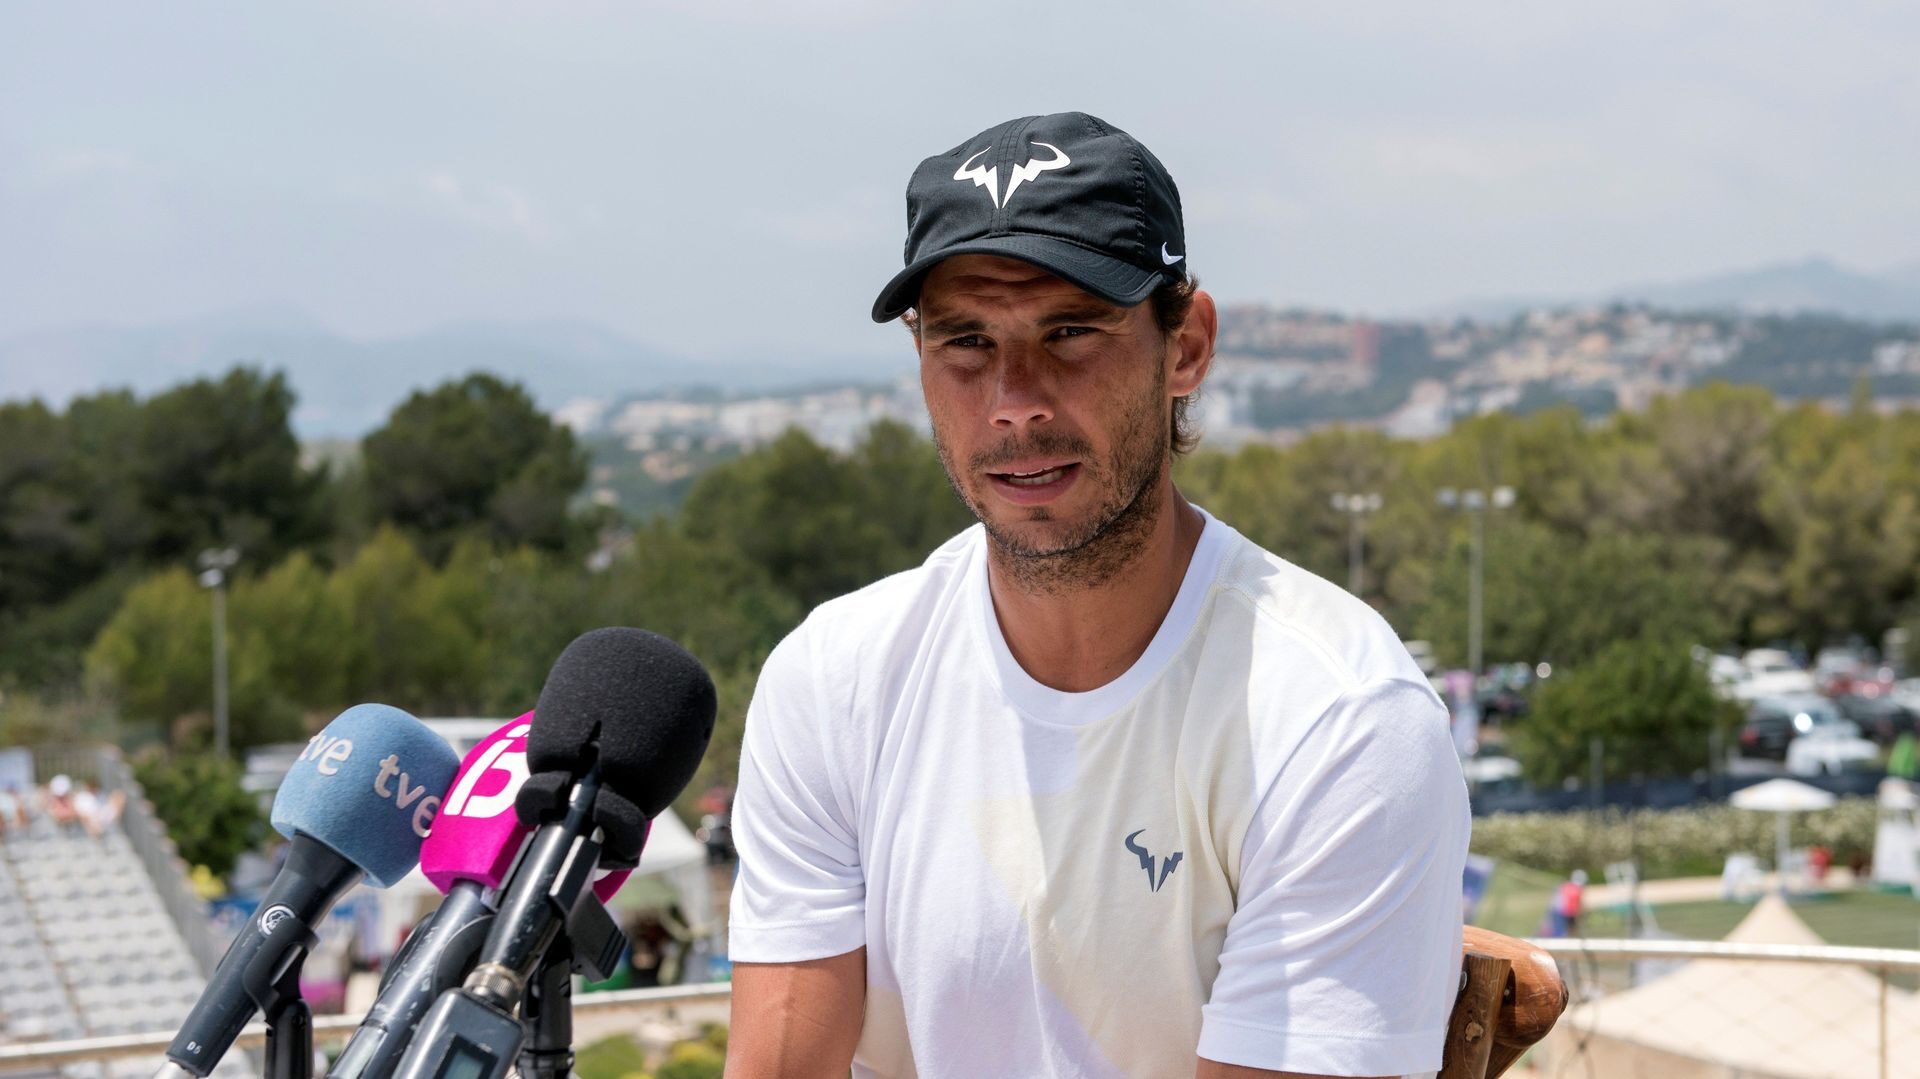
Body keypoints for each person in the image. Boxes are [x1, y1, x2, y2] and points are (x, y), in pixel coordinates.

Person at [725, 111, 1470, 1078]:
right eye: (965, 341)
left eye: (1071, 331)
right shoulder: (834, 681)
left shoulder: (1338, 717)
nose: (1015, 401)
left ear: (1186, 345)